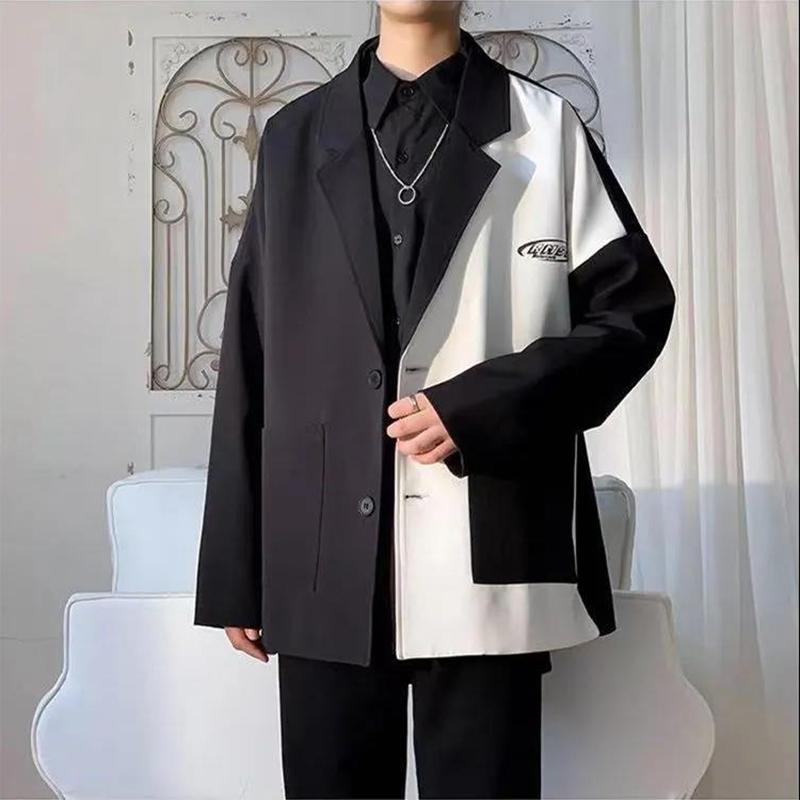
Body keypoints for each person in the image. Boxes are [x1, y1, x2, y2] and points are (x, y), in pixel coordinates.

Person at [193, 2, 676, 798]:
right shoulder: (294, 137)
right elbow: (250, 354)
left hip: (490, 541)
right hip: (319, 556)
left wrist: (484, 407)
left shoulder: (544, 128)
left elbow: (633, 314)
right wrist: (236, 573)